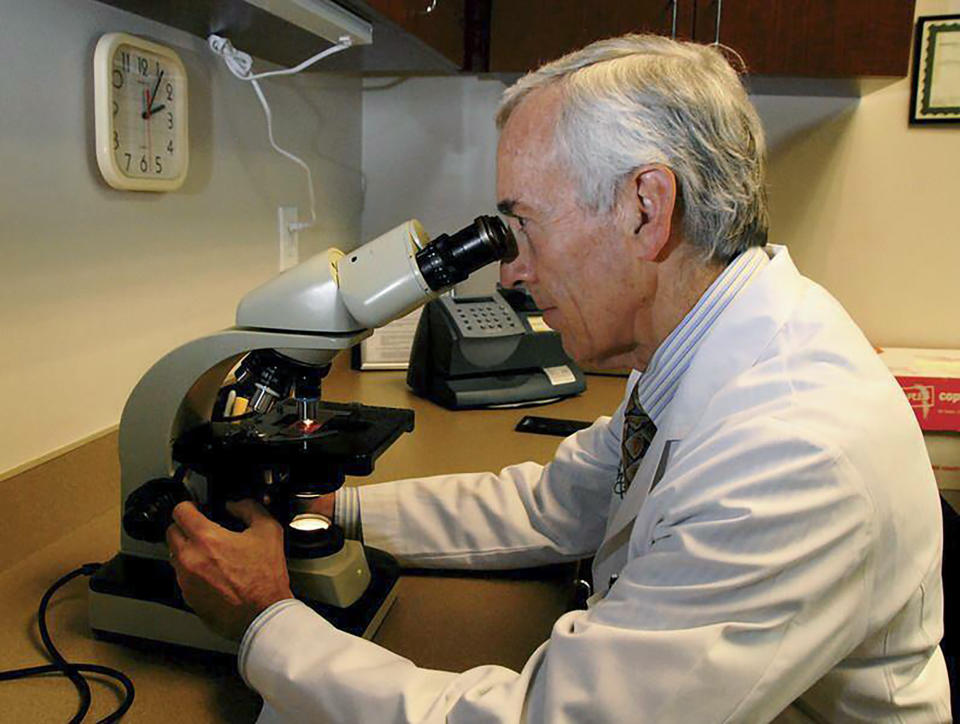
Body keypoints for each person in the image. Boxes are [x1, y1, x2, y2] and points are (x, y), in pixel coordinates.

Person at [165, 34, 951, 722]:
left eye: (523, 226)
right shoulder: (702, 348)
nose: (510, 272)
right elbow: (554, 504)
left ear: (645, 207)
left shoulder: (790, 450)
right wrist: (335, 509)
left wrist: (266, 622)